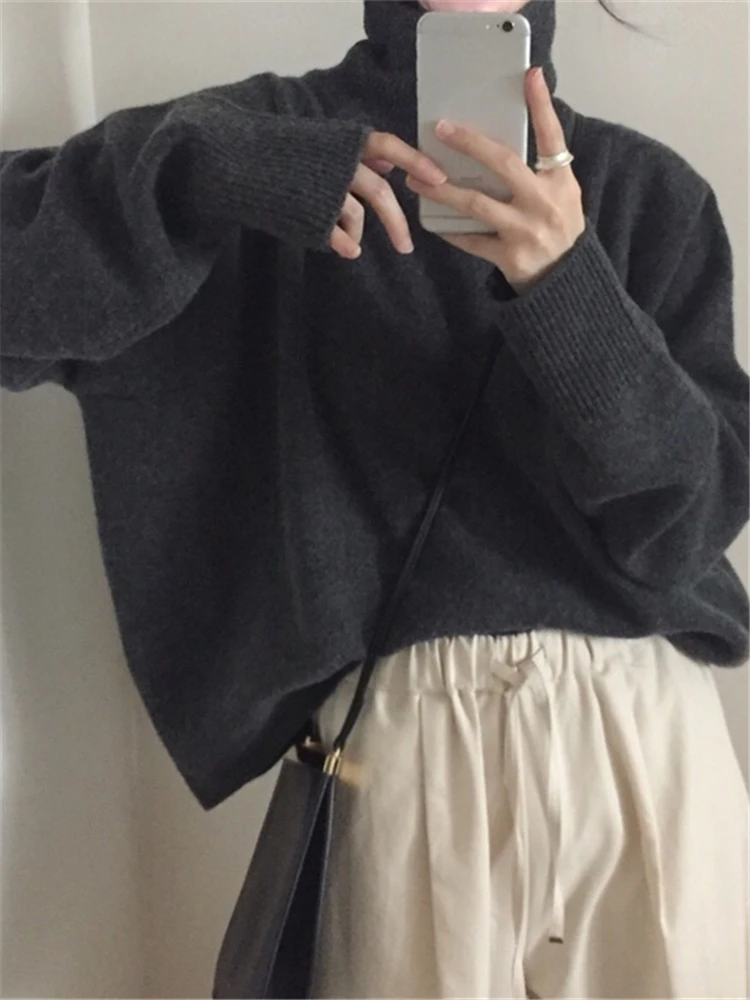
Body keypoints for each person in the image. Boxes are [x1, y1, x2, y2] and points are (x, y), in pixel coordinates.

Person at [2, 0, 748, 996]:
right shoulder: (265, 146)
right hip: (401, 752)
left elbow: (690, 524)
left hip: (643, 747)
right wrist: (200, 170)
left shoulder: (647, 193)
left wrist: (570, 285)